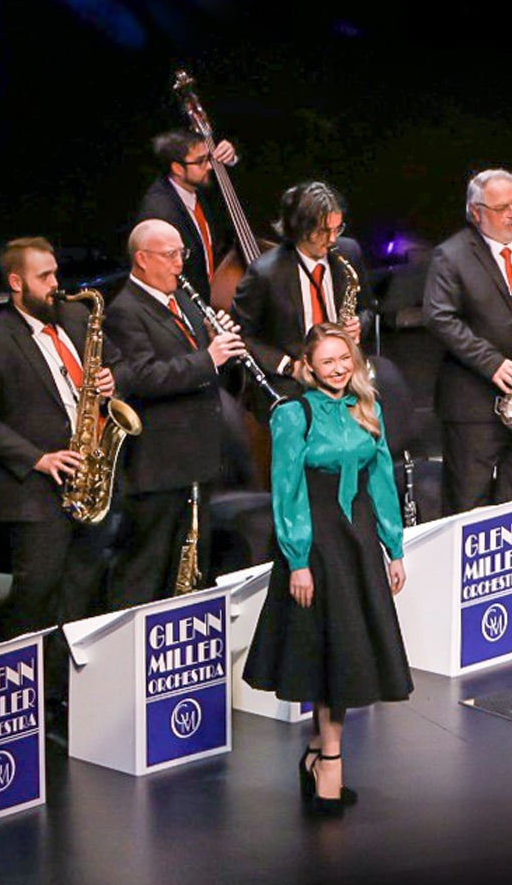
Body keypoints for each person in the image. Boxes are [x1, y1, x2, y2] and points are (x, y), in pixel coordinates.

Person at [242, 324, 412, 818]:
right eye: (327, 361)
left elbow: (382, 480)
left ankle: (317, 752)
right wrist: (298, 561)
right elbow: (286, 490)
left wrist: (393, 548)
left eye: (344, 358)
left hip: (357, 538)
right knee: (328, 652)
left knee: (349, 651)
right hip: (315, 540)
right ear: (310, 368)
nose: (338, 369)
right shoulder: (292, 414)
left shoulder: (367, 407)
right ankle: (330, 763)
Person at [0, 238, 122, 638]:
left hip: (90, 482)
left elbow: (117, 363)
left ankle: (70, 676)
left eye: (55, 273)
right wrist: (38, 458)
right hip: (35, 495)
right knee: (36, 603)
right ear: (16, 282)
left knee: (83, 597)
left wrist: (111, 379)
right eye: (44, 276)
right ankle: (30, 677)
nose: (55, 284)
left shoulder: (77, 316)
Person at [106, 220, 249, 612]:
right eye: (170, 255)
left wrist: (218, 345)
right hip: (159, 465)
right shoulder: (124, 311)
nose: (179, 264)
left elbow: (201, 365)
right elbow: (143, 377)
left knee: (189, 565)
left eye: (181, 253)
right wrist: (209, 358)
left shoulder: (183, 300)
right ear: (142, 259)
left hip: (195, 458)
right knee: (147, 569)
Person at [424, 170, 512, 513]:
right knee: (468, 507)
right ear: (476, 212)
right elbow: (439, 317)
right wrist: (493, 364)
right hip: (474, 405)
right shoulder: (451, 255)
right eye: (502, 208)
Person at [232, 181, 391, 406]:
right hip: (293, 378)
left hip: (343, 369)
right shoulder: (264, 273)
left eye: (337, 229)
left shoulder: (348, 252)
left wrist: (358, 325)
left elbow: (367, 309)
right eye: (323, 231)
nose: (333, 239)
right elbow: (241, 336)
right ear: (299, 229)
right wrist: (290, 366)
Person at [135, 127, 242, 297]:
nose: (209, 166)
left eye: (208, 158)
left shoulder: (195, 184)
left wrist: (230, 158)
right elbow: (165, 281)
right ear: (177, 168)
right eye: (201, 161)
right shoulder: (161, 215)